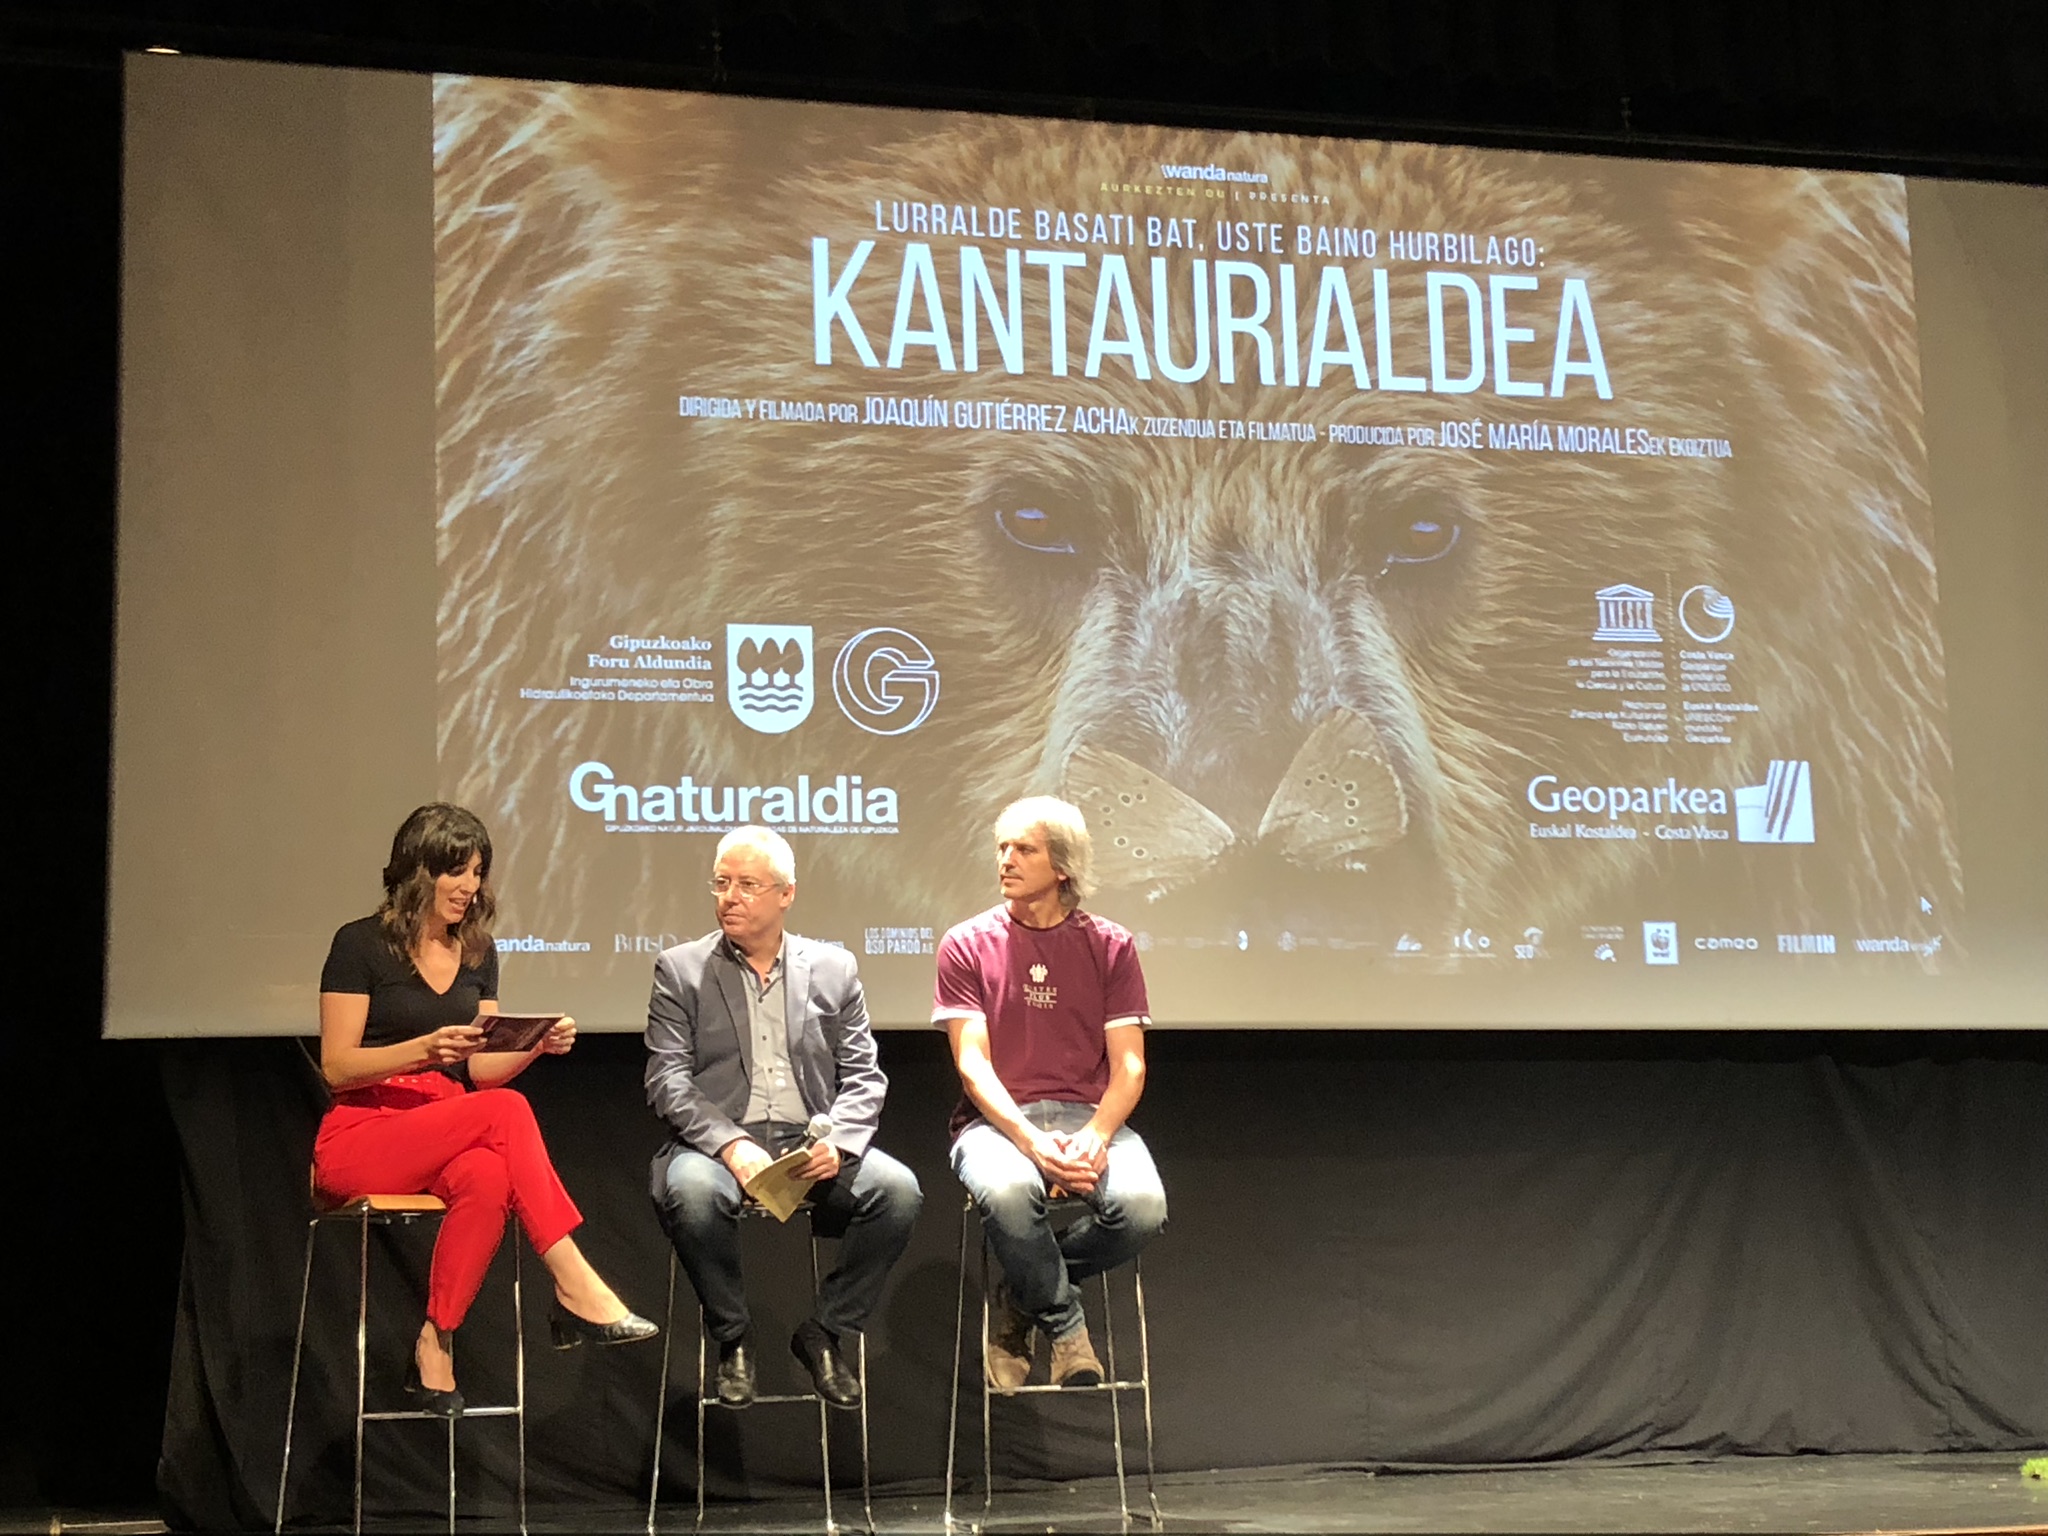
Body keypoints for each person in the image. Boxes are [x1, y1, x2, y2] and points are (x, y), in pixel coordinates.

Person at [314, 803, 657, 1417]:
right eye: (456, 872)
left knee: (491, 1173)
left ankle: (437, 1336)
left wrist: (535, 1044)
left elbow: (479, 1068)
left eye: (478, 873)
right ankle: (573, 1281)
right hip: (366, 1132)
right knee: (504, 1113)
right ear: (418, 871)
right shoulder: (358, 944)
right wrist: (423, 1049)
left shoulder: (478, 952)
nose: (470, 888)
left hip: (445, 1122)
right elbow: (337, 1067)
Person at [646, 826, 923, 1410]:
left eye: (747, 885)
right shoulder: (681, 970)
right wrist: (730, 1145)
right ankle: (733, 1337)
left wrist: (842, 1144)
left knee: (897, 1192)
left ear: (786, 894)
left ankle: (826, 1329)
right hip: (717, 1148)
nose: (730, 897)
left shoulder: (833, 968)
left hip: (810, 1142)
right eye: (721, 884)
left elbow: (865, 1076)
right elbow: (666, 1080)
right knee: (693, 1195)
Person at [933, 796, 1167, 1392]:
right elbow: (972, 1064)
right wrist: (1034, 1142)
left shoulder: (1110, 945)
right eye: (1001, 848)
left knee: (1142, 1210)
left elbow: (1131, 1066)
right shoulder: (966, 943)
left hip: (1089, 1116)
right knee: (1010, 1192)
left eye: (1023, 849)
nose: (1005, 860)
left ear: (1062, 865)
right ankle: (1066, 1332)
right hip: (996, 1125)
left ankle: (1023, 1290)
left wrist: (1094, 1137)